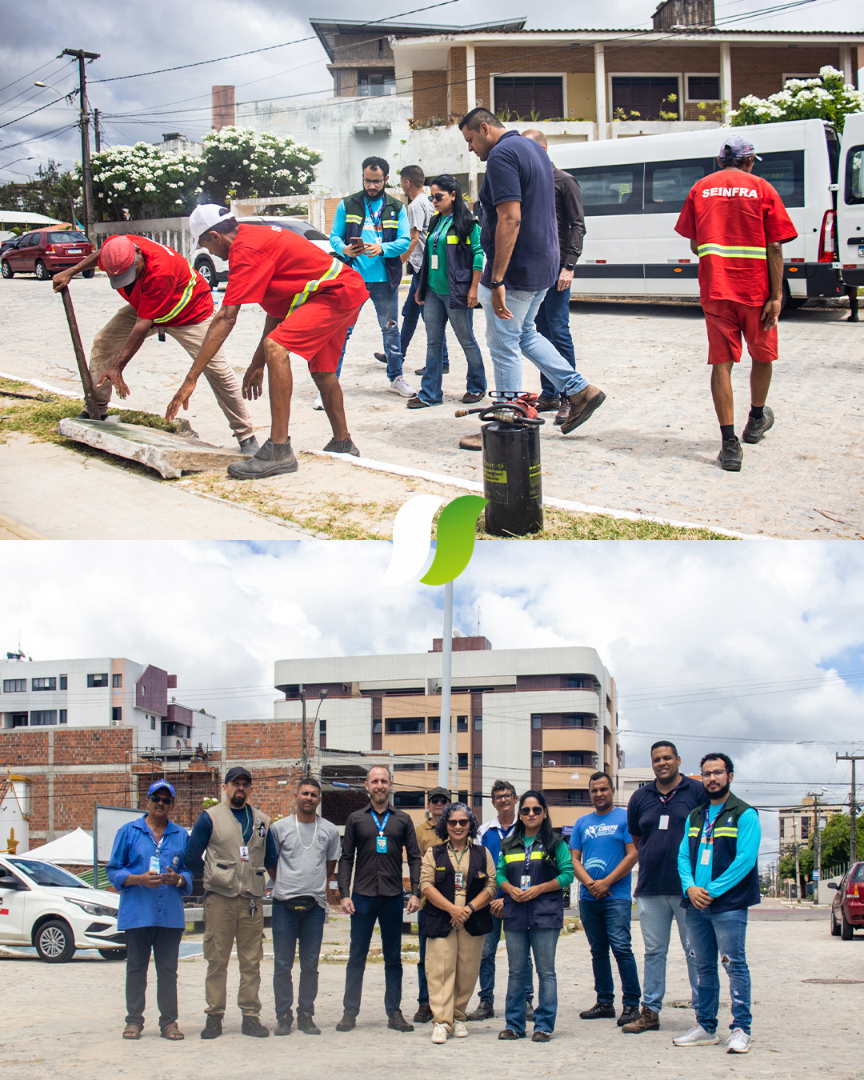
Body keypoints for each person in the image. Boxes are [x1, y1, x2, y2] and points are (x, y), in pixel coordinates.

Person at [165, 205, 368, 478]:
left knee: (276, 347)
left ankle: (279, 449)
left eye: (205, 245)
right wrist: (257, 364)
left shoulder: (245, 250)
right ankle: (343, 443)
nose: (209, 253)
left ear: (215, 236)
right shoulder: (253, 237)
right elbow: (277, 311)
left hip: (336, 293)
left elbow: (225, 317)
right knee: (322, 372)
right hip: (340, 289)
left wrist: (191, 378)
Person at [457, 108, 604, 450]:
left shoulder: (502, 155)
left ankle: (506, 424)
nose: (470, 148)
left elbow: (510, 218)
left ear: (484, 128)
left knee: (503, 344)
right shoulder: (534, 150)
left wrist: (497, 279)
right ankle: (580, 390)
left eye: (470, 140)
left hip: (517, 269)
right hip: (543, 264)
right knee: (525, 334)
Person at [53, 235, 257, 452]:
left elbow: (142, 325)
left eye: (131, 271)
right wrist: (71, 271)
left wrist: (118, 367)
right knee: (104, 342)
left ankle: (246, 437)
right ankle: (96, 410)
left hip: (190, 314)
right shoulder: (116, 248)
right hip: (146, 307)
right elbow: (100, 256)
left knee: (217, 370)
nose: (129, 278)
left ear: (138, 253)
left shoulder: (161, 270)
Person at [674, 133, 797, 471]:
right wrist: (777, 296)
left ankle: (729, 445)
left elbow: (694, 244)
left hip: (716, 289)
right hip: (756, 291)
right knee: (763, 355)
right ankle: (756, 419)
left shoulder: (701, 188)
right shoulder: (762, 188)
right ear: (749, 160)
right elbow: (775, 246)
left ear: (720, 161)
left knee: (722, 363)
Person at [673, 752, 761, 1055]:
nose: (712, 778)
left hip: (729, 905)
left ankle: (741, 1029)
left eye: (718, 772)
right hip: (696, 905)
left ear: (730, 776)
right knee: (703, 966)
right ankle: (706, 1027)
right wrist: (690, 888)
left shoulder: (745, 814)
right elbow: (683, 856)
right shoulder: (696, 816)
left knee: (734, 964)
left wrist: (711, 891)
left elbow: (745, 861)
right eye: (707, 773)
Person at [185, 766, 278, 1039]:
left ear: (250, 789)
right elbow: (191, 856)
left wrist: (258, 876)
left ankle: (250, 1016)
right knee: (217, 959)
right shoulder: (210, 818)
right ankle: (214, 1016)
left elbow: (271, 857)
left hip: (251, 900)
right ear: (225, 787)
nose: (240, 788)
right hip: (220, 899)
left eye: (245, 784)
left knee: (252, 961)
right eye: (235, 783)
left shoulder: (262, 821)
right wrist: (212, 877)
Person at [623, 741, 704, 1033]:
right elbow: (637, 838)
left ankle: (704, 1014)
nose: (662, 763)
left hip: (689, 889)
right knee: (654, 952)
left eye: (667, 757)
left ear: (678, 760)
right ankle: (650, 1012)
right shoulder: (640, 797)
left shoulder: (697, 791)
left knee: (695, 952)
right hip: (651, 887)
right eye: (656, 759)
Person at [336, 765, 422, 1032]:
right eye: (374, 781)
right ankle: (349, 1012)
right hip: (362, 897)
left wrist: (416, 892)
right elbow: (346, 858)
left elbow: (415, 857)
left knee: (393, 957)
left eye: (384, 781)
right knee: (356, 956)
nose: (379, 785)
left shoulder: (403, 819)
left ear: (391, 784)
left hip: (393, 896)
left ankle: (394, 1012)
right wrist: (344, 894)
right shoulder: (356, 819)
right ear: (367, 786)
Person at [106, 780, 192, 1041]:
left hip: (170, 916)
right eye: (156, 798)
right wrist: (138, 879)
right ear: (146, 801)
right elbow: (113, 870)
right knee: (136, 969)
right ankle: (133, 1021)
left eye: (166, 800)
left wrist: (178, 879)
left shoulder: (181, 835)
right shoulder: (128, 832)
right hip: (137, 913)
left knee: (168, 972)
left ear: (172, 805)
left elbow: (189, 872)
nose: (160, 804)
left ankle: (169, 1023)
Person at [329, 156, 415, 398]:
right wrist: (344, 249)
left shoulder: (397, 208)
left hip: (384, 281)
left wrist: (382, 248)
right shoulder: (347, 205)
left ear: (386, 179)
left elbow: (405, 241)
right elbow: (334, 236)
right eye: (368, 180)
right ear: (362, 177)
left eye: (377, 181)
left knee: (390, 330)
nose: (372, 186)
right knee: (341, 331)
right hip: (353, 279)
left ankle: (396, 378)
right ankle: (330, 383)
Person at [496, 790, 574, 1042]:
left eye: (536, 810)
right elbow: (499, 873)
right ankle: (514, 1025)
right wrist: (509, 889)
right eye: (526, 810)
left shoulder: (556, 842)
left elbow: (567, 874)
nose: (531, 814)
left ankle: (543, 1026)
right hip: (515, 913)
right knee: (516, 972)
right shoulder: (509, 843)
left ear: (545, 813)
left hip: (545, 913)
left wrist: (539, 889)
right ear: (519, 814)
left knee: (545, 972)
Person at [523, 129, 586, 428]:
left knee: (559, 329)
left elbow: (577, 225)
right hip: (538, 269)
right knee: (541, 330)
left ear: (543, 149)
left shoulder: (564, 181)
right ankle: (549, 392)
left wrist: (569, 265)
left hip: (559, 268)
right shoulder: (530, 182)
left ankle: (570, 396)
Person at [269, 776, 341, 1036]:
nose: (309, 798)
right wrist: (287, 883)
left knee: (310, 965)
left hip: (315, 906)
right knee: (282, 964)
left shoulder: (329, 830)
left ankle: (306, 1014)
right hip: (283, 904)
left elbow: (330, 865)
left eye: (313, 794)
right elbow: (271, 863)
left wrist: (312, 884)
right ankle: (283, 1016)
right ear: (296, 796)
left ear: (319, 799)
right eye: (305, 793)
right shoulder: (279, 828)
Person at [409, 175, 487, 410]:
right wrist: (421, 288)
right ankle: (430, 393)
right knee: (433, 342)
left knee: (466, 340)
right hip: (433, 291)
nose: (434, 201)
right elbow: (428, 256)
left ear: (453, 195)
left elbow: (478, 254)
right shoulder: (435, 221)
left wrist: (474, 288)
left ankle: (476, 386)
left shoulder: (468, 223)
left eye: (438, 197)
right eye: (432, 197)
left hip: (457, 292)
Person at [421, 802, 496, 1043]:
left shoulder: (482, 853)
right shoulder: (434, 853)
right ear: (445, 825)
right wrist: (452, 909)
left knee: (467, 970)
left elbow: (491, 886)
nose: (458, 826)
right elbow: (426, 885)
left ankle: (458, 1017)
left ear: (470, 824)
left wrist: (468, 909)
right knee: (440, 970)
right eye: (452, 822)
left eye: (463, 822)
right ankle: (441, 1022)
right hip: (442, 918)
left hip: (472, 919)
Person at [570, 771, 640, 1027]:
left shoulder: (625, 818)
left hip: (616, 896)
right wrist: (591, 885)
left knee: (621, 948)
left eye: (603, 789)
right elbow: (574, 859)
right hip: (589, 898)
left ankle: (631, 1004)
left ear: (612, 790)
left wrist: (606, 883)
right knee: (598, 951)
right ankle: (604, 1002)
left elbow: (633, 854)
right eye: (594, 790)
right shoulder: (582, 823)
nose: (599, 794)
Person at [468, 779, 535, 1022]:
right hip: (488, 904)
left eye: (508, 795)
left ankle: (526, 1000)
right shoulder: (482, 832)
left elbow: (529, 868)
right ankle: (486, 1001)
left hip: (519, 902)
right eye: (499, 796)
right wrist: (488, 899)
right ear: (493, 802)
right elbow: (477, 870)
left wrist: (507, 899)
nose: (504, 799)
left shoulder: (527, 829)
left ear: (516, 799)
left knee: (522, 954)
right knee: (486, 952)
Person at [380, 164, 450, 376]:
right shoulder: (429, 201)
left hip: (423, 268)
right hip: (424, 266)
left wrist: (398, 264)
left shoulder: (415, 205)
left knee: (430, 317)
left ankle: (442, 361)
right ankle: (396, 354)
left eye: (402, 182)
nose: (401, 186)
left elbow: (413, 239)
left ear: (408, 182)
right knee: (410, 312)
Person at [413, 785, 452, 1024]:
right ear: (428, 804)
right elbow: (415, 864)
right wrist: (415, 894)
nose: (439, 804)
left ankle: (449, 1003)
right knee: (426, 956)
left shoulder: (456, 827)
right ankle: (425, 1003)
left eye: (443, 800)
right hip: (428, 903)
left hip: (455, 903)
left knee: (452, 957)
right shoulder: (419, 831)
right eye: (435, 800)